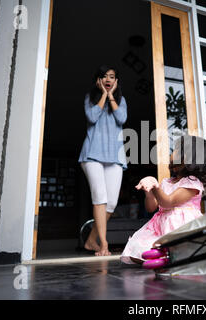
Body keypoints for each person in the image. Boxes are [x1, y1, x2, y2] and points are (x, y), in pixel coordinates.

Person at [120, 135, 206, 264]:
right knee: (136, 252)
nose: (172, 153)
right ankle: (168, 256)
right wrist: (149, 192)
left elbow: (168, 202)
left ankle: (172, 255)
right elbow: (151, 207)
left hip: (182, 228)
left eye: (177, 150)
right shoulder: (167, 182)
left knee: (197, 247)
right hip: (161, 228)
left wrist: (155, 186)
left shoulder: (192, 183)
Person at [79, 66, 127, 256]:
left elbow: (122, 118)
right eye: (105, 76)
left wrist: (112, 96)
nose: (108, 79)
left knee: (111, 203)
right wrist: (103, 96)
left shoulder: (121, 101)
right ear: (98, 80)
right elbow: (91, 117)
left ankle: (90, 241)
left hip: (115, 156)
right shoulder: (90, 99)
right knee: (100, 197)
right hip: (92, 155)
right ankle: (103, 244)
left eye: (112, 77)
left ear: (116, 81)